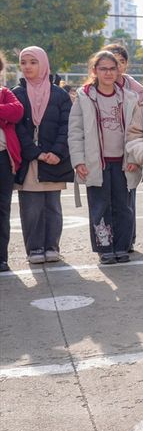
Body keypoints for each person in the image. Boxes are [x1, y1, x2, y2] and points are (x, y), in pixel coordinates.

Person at [68, 51, 141, 264]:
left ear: (119, 70)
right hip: (96, 162)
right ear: (94, 71)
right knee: (100, 206)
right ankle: (104, 247)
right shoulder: (84, 97)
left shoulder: (129, 97)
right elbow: (75, 132)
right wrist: (79, 161)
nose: (108, 73)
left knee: (123, 206)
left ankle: (122, 246)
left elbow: (137, 131)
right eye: (103, 68)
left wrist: (135, 157)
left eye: (112, 68)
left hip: (123, 162)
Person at [13, 46, 74, 265]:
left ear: (43, 63)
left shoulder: (59, 94)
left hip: (54, 159)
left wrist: (57, 152)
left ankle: (52, 247)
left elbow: (67, 126)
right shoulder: (16, 94)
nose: (27, 67)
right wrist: (36, 153)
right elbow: (17, 129)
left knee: (52, 208)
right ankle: (34, 248)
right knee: (31, 208)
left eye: (33, 62)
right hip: (30, 161)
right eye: (23, 62)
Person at [104, 43, 143, 253]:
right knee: (107, 201)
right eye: (112, 62)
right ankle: (109, 242)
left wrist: (136, 156)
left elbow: (141, 129)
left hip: (129, 153)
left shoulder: (138, 92)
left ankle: (127, 240)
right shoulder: (94, 90)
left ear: (126, 65)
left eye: (120, 62)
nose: (116, 67)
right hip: (106, 154)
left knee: (128, 199)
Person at [0, 54, 24, 272]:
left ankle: (1, 257)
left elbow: (16, 112)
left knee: (2, 209)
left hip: (3, 159)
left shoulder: (5, 93)